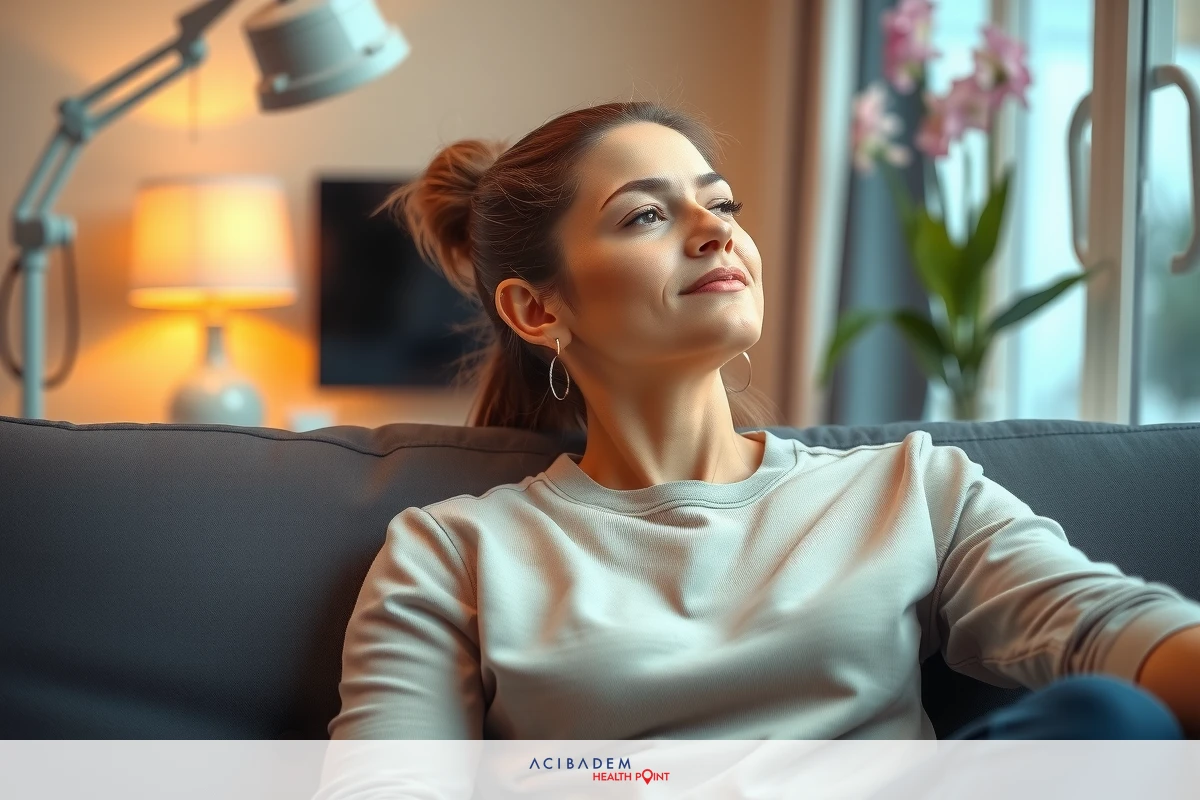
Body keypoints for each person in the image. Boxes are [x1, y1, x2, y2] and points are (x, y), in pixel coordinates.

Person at [326, 101, 1200, 743]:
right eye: (646, 215)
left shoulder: (913, 490)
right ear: (536, 310)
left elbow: (1107, 630)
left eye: (723, 204)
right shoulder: (451, 554)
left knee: (1105, 717)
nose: (715, 231)